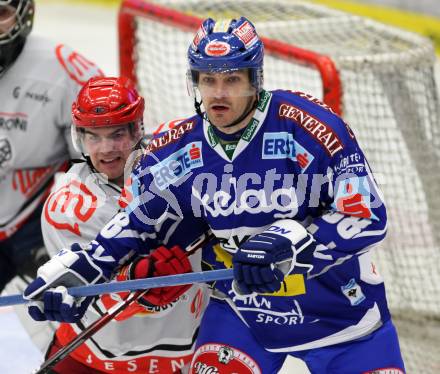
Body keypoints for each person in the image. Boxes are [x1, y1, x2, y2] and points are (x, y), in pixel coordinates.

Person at [24, 17, 406, 374]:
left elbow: (367, 215)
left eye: (232, 80)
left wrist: (295, 243)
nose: (218, 94)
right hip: (242, 313)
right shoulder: (178, 150)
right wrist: (87, 267)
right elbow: (140, 223)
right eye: (207, 80)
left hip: (342, 312)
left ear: (255, 79)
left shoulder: (309, 128)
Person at [39, 76, 209, 373]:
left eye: (117, 134)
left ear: (137, 129)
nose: (106, 149)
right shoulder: (66, 207)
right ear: (79, 137)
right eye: (93, 136)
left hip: (185, 351)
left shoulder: (180, 161)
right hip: (92, 353)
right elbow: (83, 292)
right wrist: (133, 281)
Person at [0, 0, 102, 351]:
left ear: (24, 13)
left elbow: (109, 162)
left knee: (63, 328)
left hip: (37, 221)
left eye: (1, 14)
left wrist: (74, 229)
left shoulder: (66, 70)